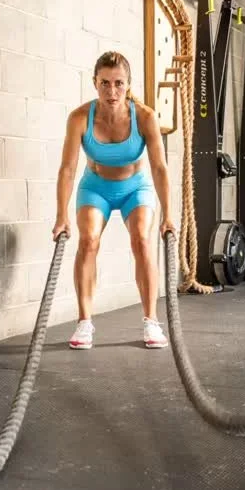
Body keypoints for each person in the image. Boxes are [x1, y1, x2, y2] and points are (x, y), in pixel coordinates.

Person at [53, 50, 176, 350]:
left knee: (142, 240)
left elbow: (160, 168)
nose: (112, 91)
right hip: (96, 188)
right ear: (95, 82)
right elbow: (67, 169)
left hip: (135, 188)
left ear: (128, 84)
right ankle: (84, 322)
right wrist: (61, 215)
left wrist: (168, 215)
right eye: (105, 83)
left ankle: (151, 321)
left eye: (119, 83)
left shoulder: (145, 117)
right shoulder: (80, 118)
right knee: (88, 241)